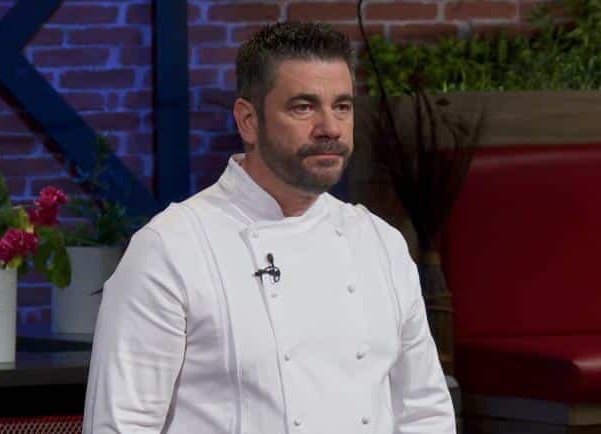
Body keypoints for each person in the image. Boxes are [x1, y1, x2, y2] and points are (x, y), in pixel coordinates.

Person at [83, 21, 455, 434]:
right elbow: (121, 424)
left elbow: (424, 413)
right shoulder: (170, 248)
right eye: (303, 107)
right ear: (248, 120)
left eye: (342, 106)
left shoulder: (381, 244)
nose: (330, 127)